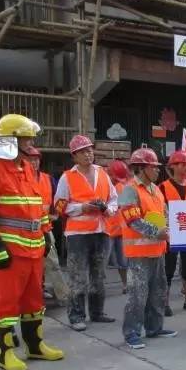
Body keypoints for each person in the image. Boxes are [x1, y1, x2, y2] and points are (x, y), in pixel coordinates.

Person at [0, 114, 63, 370]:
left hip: (34, 248)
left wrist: (46, 233)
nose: (30, 143)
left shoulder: (26, 169)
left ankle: (35, 346)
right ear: (11, 139)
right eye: (26, 138)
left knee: (34, 301)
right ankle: (6, 353)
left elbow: (38, 206)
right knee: (7, 303)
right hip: (11, 250)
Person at [54, 135, 118, 331]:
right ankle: (76, 316)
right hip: (78, 235)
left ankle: (97, 312)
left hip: (101, 230)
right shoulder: (67, 177)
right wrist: (83, 207)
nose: (88, 154)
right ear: (74, 156)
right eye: (83, 151)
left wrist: (108, 209)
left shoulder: (103, 174)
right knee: (78, 276)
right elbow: (59, 205)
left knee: (98, 275)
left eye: (90, 150)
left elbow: (114, 199)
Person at [118, 148, 176, 349]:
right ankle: (132, 333)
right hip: (139, 253)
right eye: (154, 167)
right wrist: (156, 232)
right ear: (142, 168)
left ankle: (154, 327)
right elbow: (133, 220)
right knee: (138, 295)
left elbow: (165, 213)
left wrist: (167, 229)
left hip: (157, 250)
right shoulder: (130, 190)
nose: (158, 171)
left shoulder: (155, 189)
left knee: (158, 291)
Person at [160, 150, 186, 315]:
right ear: (173, 166)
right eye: (182, 165)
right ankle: (164, 302)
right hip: (170, 233)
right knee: (168, 268)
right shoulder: (163, 187)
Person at [24, 145, 68, 302]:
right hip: (23, 230)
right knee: (31, 266)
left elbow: (60, 198)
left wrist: (56, 213)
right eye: (30, 160)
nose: (33, 163)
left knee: (53, 263)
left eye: (36, 159)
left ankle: (63, 296)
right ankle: (36, 292)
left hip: (45, 228)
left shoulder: (47, 179)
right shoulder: (19, 180)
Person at [106, 159, 130, 293]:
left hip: (121, 230)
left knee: (123, 262)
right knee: (101, 262)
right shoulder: (102, 185)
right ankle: (97, 288)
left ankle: (126, 285)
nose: (116, 181)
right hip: (106, 231)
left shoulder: (123, 186)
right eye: (114, 178)